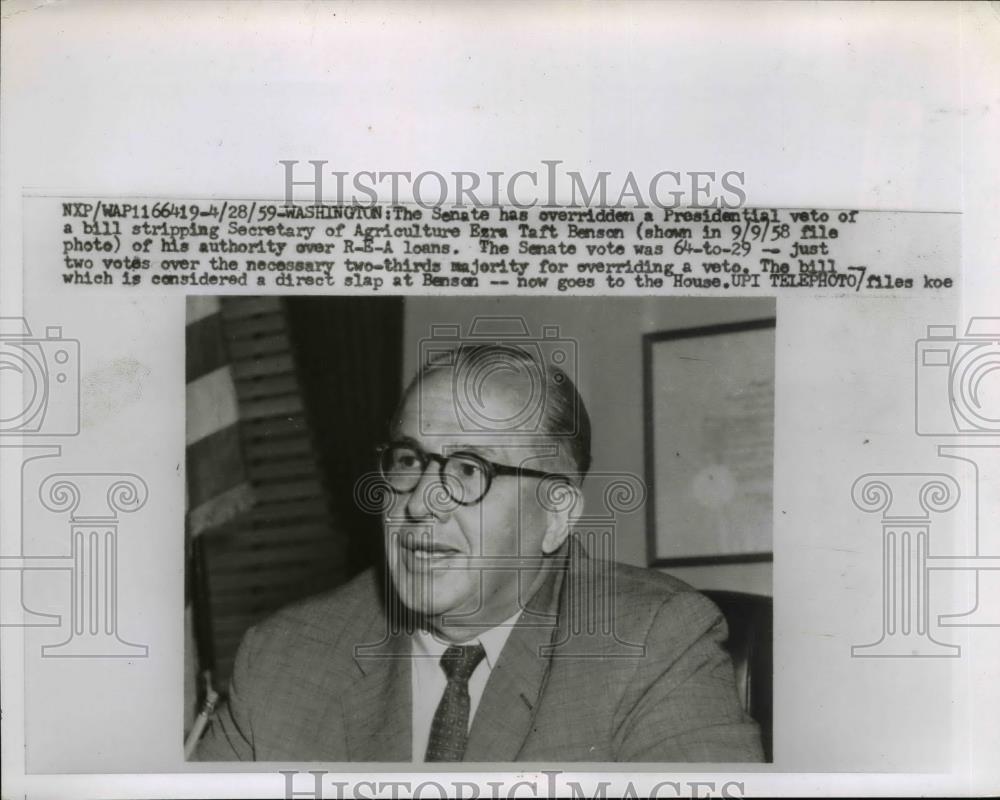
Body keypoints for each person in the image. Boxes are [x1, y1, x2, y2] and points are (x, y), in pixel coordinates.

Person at [194, 343, 763, 762]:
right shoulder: (284, 658)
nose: (420, 503)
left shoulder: (654, 641)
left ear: (557, 514)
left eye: (470, 470)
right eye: (409, 461)